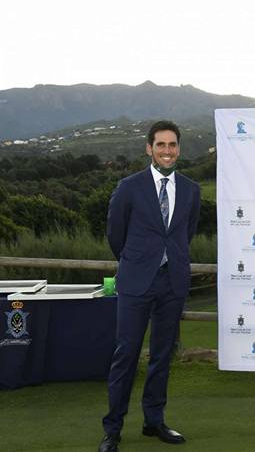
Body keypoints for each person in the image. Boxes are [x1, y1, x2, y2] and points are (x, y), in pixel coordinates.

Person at [99, 120, 201, 452]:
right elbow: (116, 234)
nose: (167, 151)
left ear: (178, 149)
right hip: (135, 283)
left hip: (172, 283)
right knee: (126, 355)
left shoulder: (190, 189)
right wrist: (137, 261)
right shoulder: (129, 187)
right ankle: (112, 429)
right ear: (149, 148)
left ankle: (153, 421)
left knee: (161, 356)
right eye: (161, 145)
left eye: (173, 145)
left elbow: (186, 233)